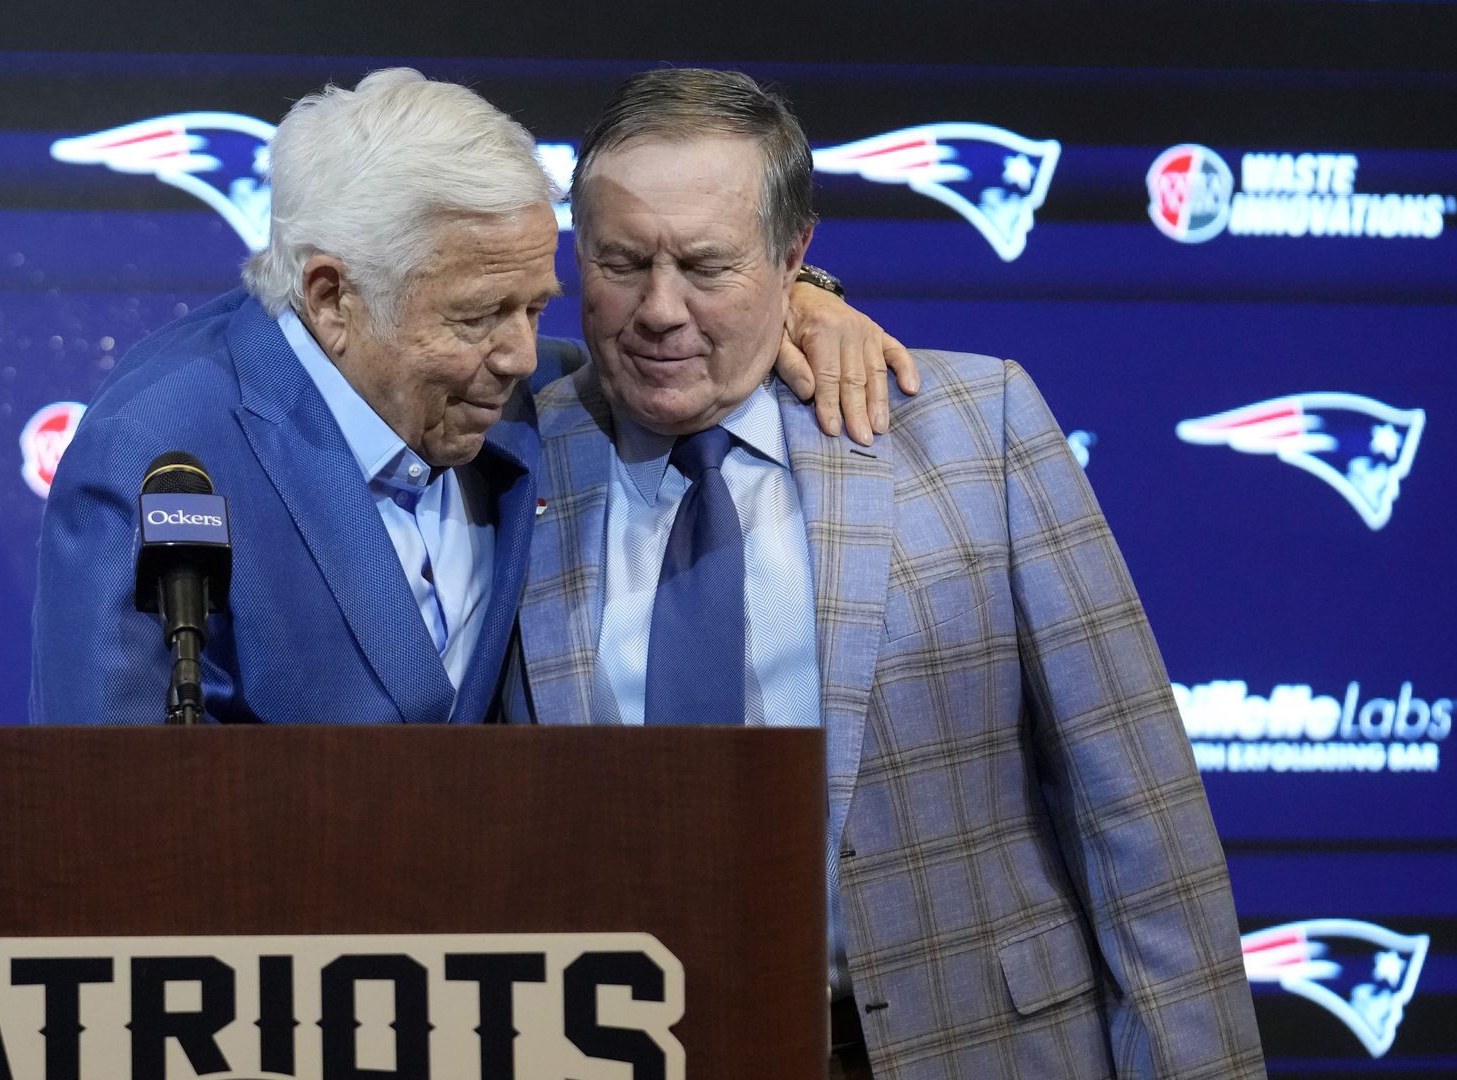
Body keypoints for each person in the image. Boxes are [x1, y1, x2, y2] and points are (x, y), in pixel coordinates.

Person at [507, 68, 1266, 1079]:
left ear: (794, 255)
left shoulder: (972, 427)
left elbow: (1135, 813)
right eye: (620, 261)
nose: (659, 310)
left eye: (706, 265)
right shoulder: (507, 452)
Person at [30, 68, 911, 726]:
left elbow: (686, 333)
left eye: (534, 306)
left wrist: (804, 297)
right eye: (480, 315)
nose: (521, 355)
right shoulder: (161, 450)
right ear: (334, 297)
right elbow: (102, 810)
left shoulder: (520, 393)